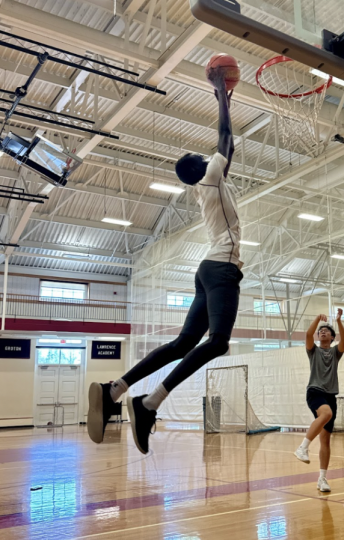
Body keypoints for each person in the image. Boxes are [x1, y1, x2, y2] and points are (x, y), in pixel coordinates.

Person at [87, 68, 243, 454]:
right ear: (199, 168)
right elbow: (226, 139)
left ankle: (116, 389)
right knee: (217, 343)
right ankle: (148, 402)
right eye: (203, 158)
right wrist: (221, 93)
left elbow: (227, 148)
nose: (211, 156)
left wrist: (224, 98)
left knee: (184, 342)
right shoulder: (209, 179)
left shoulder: (210, 183)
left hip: (207, 269)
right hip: (221, 268)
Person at [294, 309, 344, 493]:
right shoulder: (313, 351)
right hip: (315, 391)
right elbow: (308, 334)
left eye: (326, 331)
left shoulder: (335, 353)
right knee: (326, 413)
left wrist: (339, 321)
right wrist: (317, 319)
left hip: (330, 395)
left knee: (326, 441)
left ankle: (322, 479)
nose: (322, 332)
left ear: (332, 337)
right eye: (321, 331)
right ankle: (302, 447)